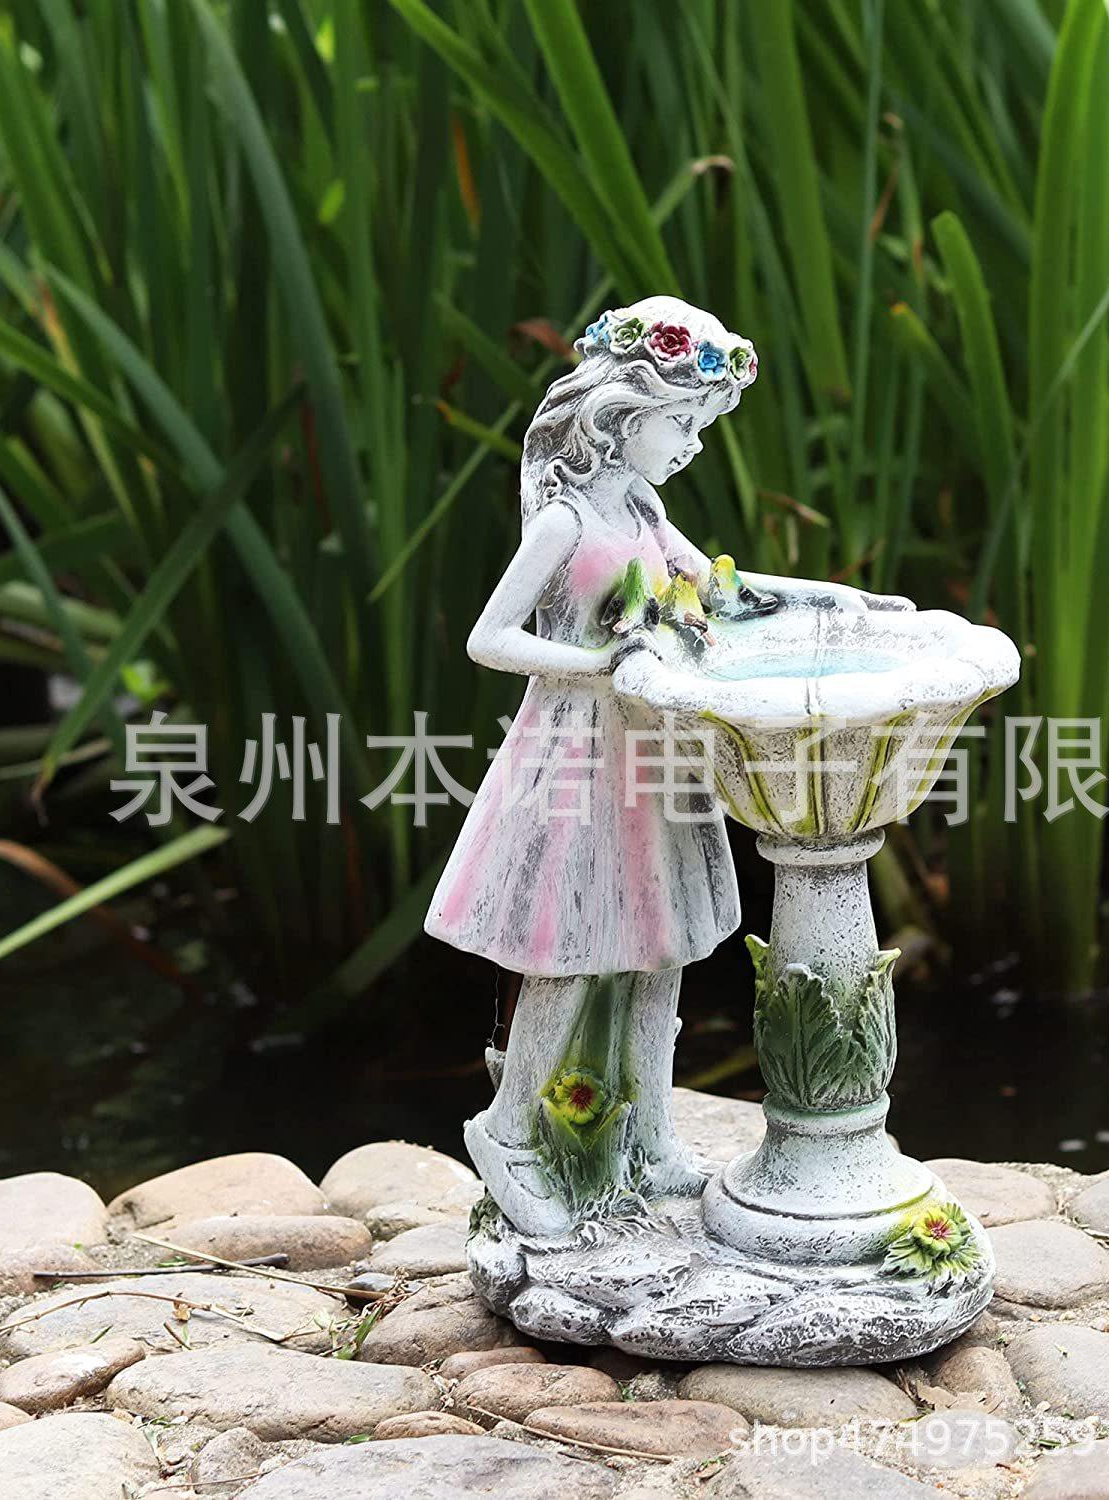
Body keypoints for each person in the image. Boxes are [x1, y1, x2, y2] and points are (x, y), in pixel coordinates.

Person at [427, 295, 905, 1233]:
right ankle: (509, 1133)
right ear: (622, 415)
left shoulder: (640, 505)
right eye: (682, 423)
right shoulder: (564, 522)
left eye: (700, 427)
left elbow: (716, 588)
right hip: (579, 751)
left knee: (662, 946)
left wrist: (830, 598)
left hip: (653, 750)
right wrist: (603, 664)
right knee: (572, 951)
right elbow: (491, 638)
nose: (692, 445)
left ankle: (649, 1132)